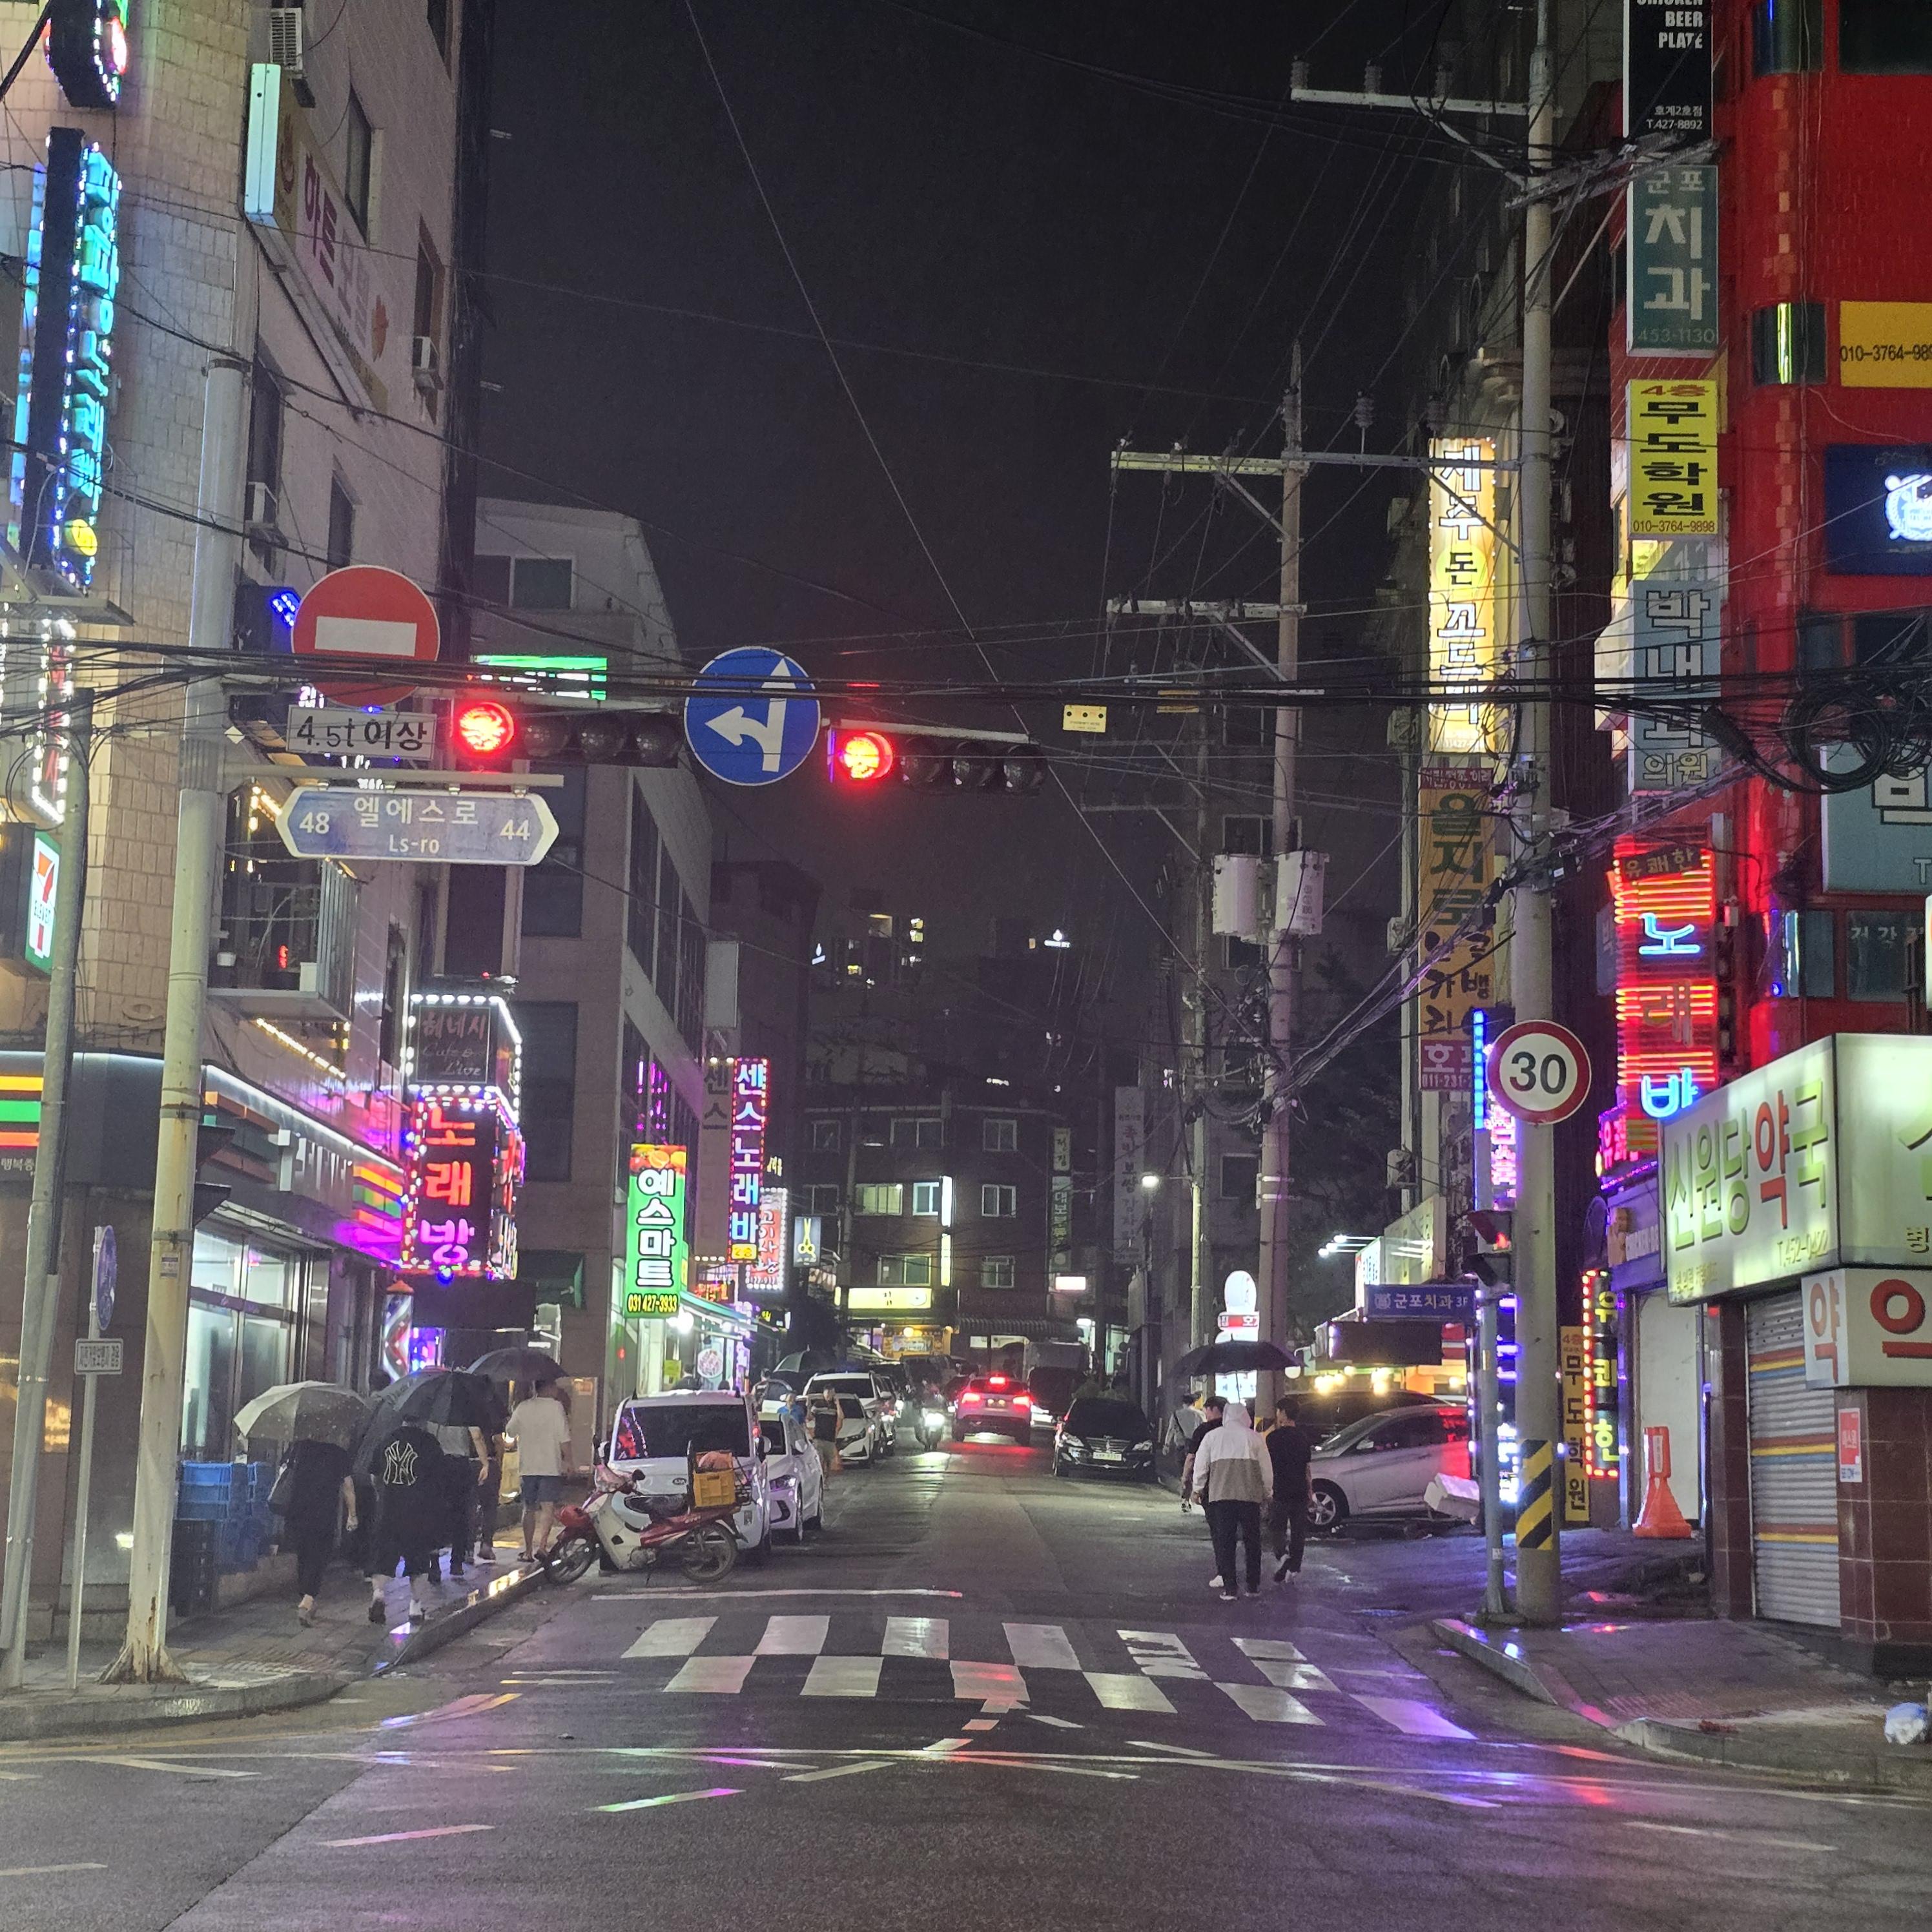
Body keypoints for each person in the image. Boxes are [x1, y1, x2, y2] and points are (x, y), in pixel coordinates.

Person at [1189, 1397, 1272, 1600]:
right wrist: (1267, 1492)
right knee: (1252, 1542)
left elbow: (1201, 1466)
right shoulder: (1255, 1439)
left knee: (1226, 1542)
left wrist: (1197, 1489)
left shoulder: (1212, 1437)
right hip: (1249, 1497)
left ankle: (1230, 1588)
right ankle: (1253, 1586)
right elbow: (1266, 1470)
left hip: (1221, 1496)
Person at [364, 1423, 446, 1625]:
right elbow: (439, 1480)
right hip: (418, 1513)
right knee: (418, 1563)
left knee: (382, 1559)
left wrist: (384, 1493)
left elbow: (374, 1476)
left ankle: (379, 1595)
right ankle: (415, 1607)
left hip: (388, 1510)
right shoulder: (429, 1442)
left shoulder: (387, 1439)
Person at [276, 1437, 357, 1627]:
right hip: (323, 1514)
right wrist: (352, 1515)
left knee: (303, 1555)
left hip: (296, 1512)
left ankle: (306, 1597)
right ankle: (307, 1600)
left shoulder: (298, 1447)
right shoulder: (338, 1453)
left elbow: (282, 1472)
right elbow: (348, 1486)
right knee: (318, 1557)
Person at [506, 1377, 575, 1563]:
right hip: (550, 1466)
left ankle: (528, 1551)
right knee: (547, 1507)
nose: (557, 1389)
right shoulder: (556, 1408)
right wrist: (569, 1461)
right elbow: (564, 1438)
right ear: (548, 1387)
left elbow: (510, 1431)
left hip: (528, 1467)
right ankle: (543, 1547)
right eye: (555, 1386)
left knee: (528, 1508)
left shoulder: (523, 1407)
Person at [429, 1421, 492, 1581]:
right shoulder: (464, 1412)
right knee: (460, 1514)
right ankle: (456, 1563)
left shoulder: (432, 1413)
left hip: (436, 1465)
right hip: (459, 1466)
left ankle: (434, 1565)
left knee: (436, 1515)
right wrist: (485, 1463)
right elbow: (477, 1436)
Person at [1264, 1397, 1315, 1584]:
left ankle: (1283, 1555)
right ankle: (1294, 1569)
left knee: (1276, 1527)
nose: (1277, 1415)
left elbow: (1268, 1465)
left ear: (1284, 1414)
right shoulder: (1303, 1438)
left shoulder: (1273, 1438)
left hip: (1280, 1488)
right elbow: (1307, 1468)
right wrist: (1310, 1490)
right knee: (1298, 1531)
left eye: (1279, 1411)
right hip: (1300, 1489)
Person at [1178, 1393, 1226, 1507]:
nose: (1206, 1414)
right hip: (1233, 1483)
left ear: (1213, 1409)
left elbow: (1192, 1457)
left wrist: (1186, 1478)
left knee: (1213, 1511)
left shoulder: (1204, 1430)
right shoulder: (1237, 1430)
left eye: (1206, 1411)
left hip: (1210, 1483)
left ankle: (1186, 1500)